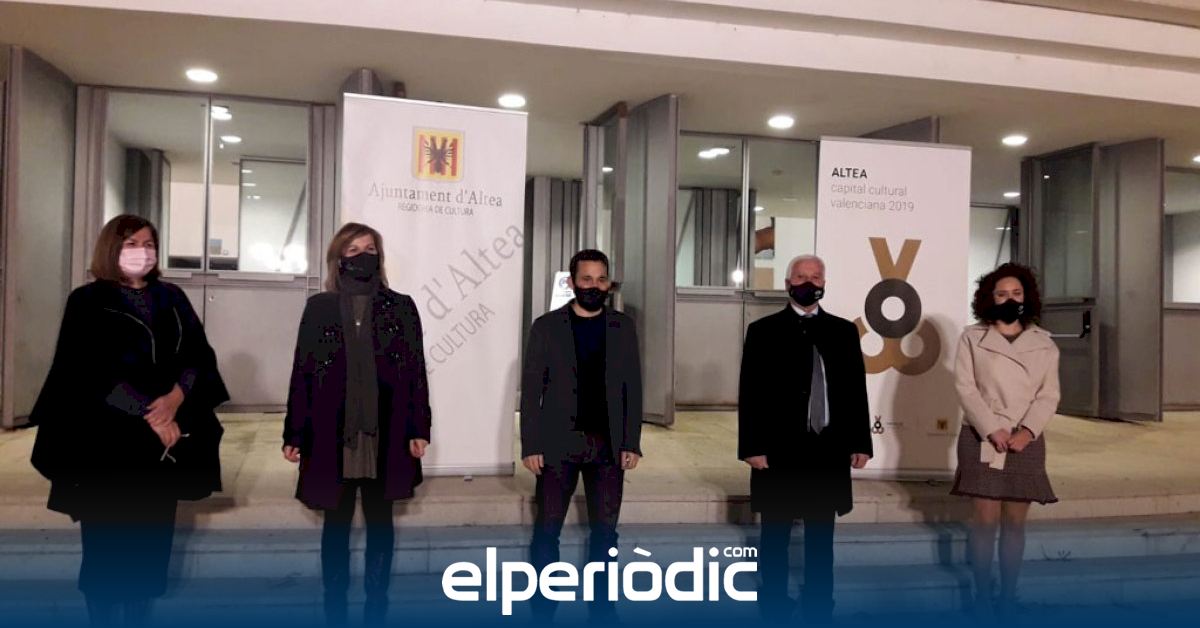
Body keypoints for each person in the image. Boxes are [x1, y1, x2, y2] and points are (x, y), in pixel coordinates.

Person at [30, 215, 228, 626]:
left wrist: (176, 398)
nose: (143, 251)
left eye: (149, 243)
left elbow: (198, 355)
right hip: (106, 443)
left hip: (160, 447)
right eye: (132, 243)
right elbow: (85, 371)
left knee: (150, 550)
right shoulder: (87, 301)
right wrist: (150, 414)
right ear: (112, 248)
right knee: (105, 551)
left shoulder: (171, 297)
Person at [282, 222, 431, 626]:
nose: (363, 256)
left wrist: (419, 427)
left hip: (387, 431)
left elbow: (416, 371)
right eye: (353, 250)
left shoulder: (401, 307)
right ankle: (335, 606)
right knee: (336, 521)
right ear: (338, 259)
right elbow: (303, 372)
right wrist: (294, 432)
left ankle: (376, 606)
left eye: (370, 249)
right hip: (333, 433)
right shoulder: (319, 307)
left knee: (381, 521)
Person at [737, 254, 872, 624]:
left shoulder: (843, 332)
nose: (809, 282)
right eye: (801, 276)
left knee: (820, 537)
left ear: (824, 283)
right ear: (787, 284)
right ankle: (774, 604)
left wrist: (861, 442)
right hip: (777, 450)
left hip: (827, 450)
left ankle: (819, 605)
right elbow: (750, 392)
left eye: (816, 276)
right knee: (775, 534)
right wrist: (752, 447)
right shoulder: (763, 331)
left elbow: (854, 392)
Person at [520, 249, 643, 624]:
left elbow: (633, 386)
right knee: (547, 531)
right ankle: (543, 609)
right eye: (586, 279)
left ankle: (602, 609)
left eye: (601, 279)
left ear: (609, 283)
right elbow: (531, 390)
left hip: (608, 446)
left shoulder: (623, 326)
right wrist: (531, 445)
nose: (594, 286)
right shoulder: (546, 326)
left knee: (606, 533)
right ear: (572, 282)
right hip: (558, 443)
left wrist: (632, 441)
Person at [952, 262, 1059, 618]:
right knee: (985, 520)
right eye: (1002, 294)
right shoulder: (972, 338)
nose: (1010, 299)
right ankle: (982, 597)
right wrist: (990, 428)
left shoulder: (1044, 344)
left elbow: (1049, 395)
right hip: (982, 436)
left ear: (1027, 297)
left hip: (1025, 439)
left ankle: (1008, 597)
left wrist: (1027, 431)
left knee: (1015, 522)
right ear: (990, 298)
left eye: (1016, 293)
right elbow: (965, 388)